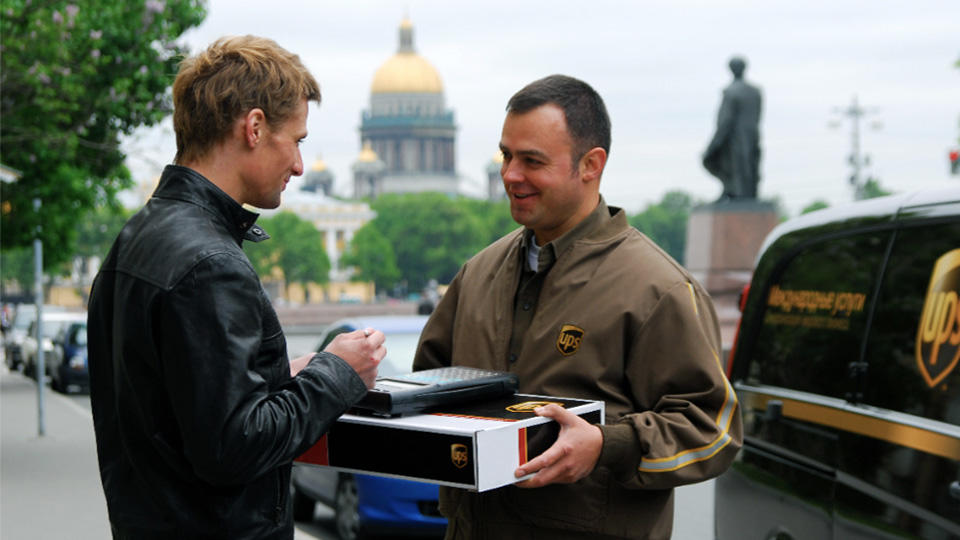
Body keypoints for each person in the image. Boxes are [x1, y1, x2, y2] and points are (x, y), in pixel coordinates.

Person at [413, 74, 742, 539]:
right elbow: (430, 387)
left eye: (532, 161)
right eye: (506, 156)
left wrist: (607, 444)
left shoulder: (658, 288)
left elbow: (713, 431)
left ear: (591, 165)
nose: (509, 175)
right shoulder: (478, 274)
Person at [87, 36, 386, 539]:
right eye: (297, 141)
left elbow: (172, 402)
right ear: (254, 127)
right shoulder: (211, 263)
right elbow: (233, 447)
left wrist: (271, 377)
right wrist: (337, 373)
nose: (298, 166)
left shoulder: (138, 236)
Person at [702, 56, 763, 200]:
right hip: (752, 135)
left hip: (733, 138)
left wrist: (716, 142)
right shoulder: (756, 91)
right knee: (748, 168)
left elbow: (725, 120)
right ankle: (735, 191)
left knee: (710, 160)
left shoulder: (731, 91)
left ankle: (733, 190)